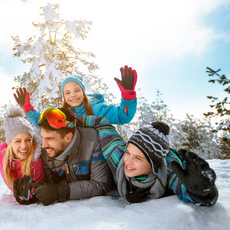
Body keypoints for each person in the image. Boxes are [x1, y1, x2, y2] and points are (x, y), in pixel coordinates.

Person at [76, 116, 218, 206]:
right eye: (128, 153)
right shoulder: (116, 154)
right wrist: (73, 119)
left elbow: (186, 189)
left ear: (153, 166)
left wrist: (203, 192)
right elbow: (102, 123)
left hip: (172, 158)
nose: (128, 162)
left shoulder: (168, 171)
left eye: (138, 158)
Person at [14, 107, 111, 206]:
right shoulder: (46, 151)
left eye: (49, 139)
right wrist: (32, 191)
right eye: (42, 137)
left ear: (68, 138)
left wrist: (61, 191)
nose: (43, 145)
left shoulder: (92, 141)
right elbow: (49, 185)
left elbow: (100, 185)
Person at [14, 65, 138, 128]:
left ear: (83, 92)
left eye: (76, 90)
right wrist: (28, 108)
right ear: (63, 97)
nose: (72, 95)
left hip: (98, 160)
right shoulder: (62, 114)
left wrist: (128, 96)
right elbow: (42, 124)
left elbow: (123, 116)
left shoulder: (97, 109)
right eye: (67, 93)